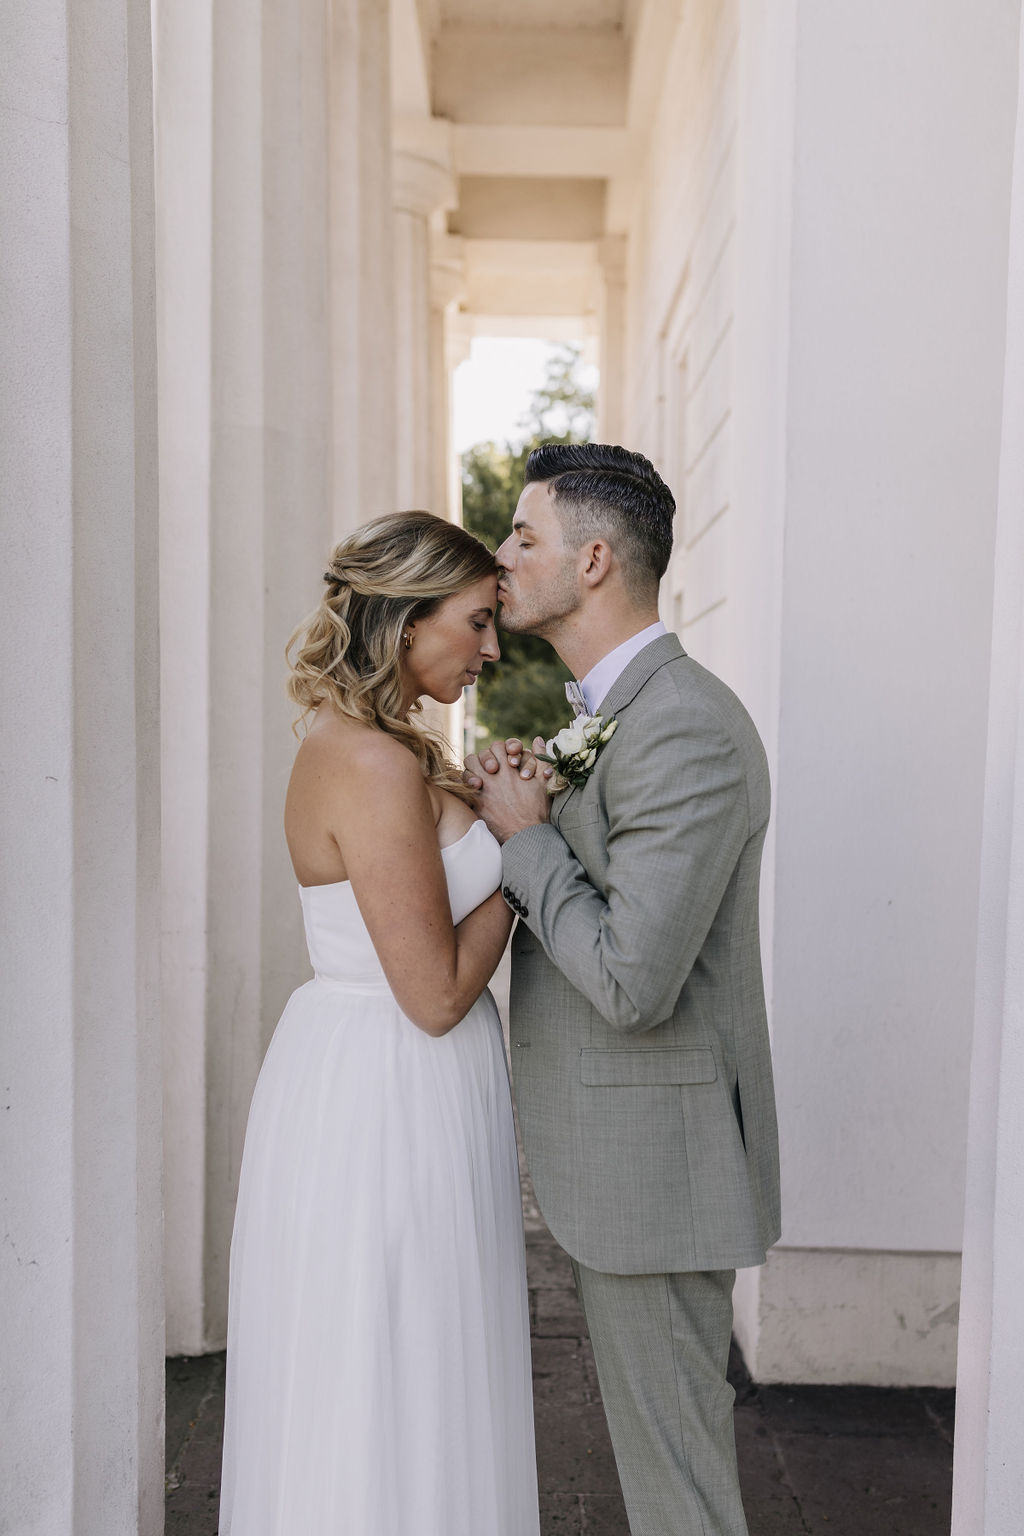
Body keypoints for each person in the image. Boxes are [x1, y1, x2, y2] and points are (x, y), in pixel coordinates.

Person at [464, 443, 781, 1536]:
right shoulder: (621, 713)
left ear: (593, 561)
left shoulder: (680, 725)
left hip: (659, 1169)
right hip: (630, 1163)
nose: (501, 557)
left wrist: (528, 839)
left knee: (679, 1495)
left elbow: (631, 981)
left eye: (524, 536)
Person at [220, 511, 540, 1536]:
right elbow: (436, 996)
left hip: (391, 1076)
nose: (492, 649)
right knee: (390, 1357)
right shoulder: (369, 762)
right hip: (387, 1088)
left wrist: (489, 810)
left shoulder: (388, 747)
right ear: (406, 622)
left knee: (411, 1353)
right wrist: (523, 856)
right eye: (476, 622)